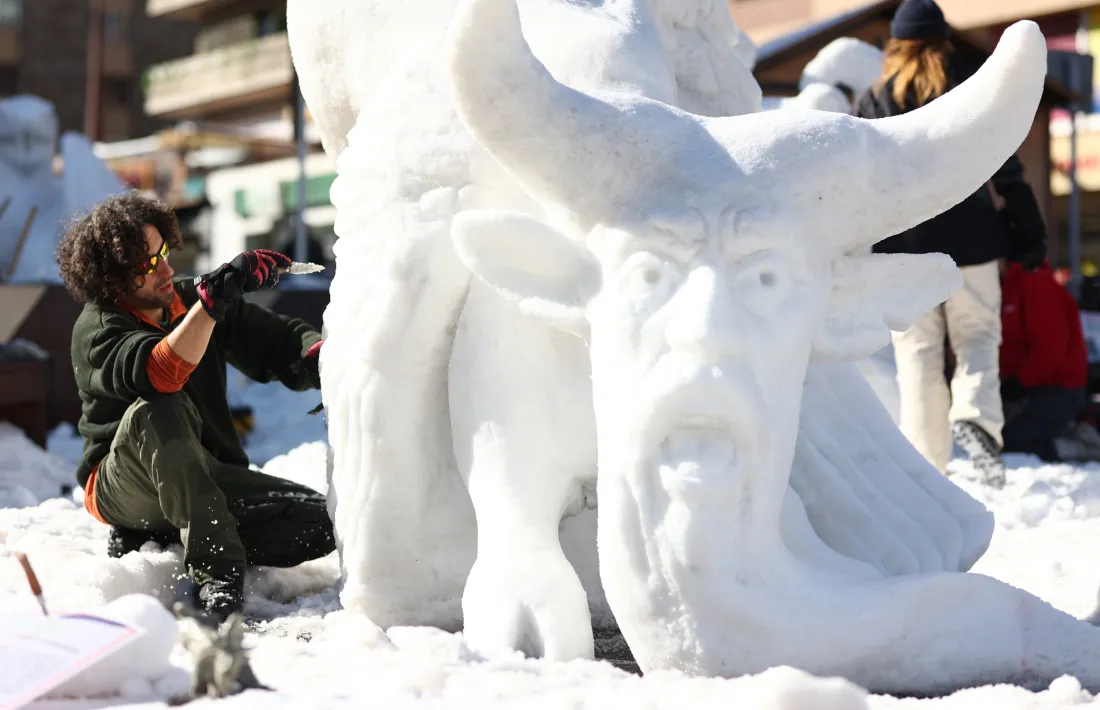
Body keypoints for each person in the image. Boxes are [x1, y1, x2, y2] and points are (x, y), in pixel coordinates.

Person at [57, 192, 335, 620]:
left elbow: (279, 341)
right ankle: (217, 575)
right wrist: (210, 305)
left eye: (163, 253)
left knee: (321, 524)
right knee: (158, 409)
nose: (165, 269)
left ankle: (175, 533)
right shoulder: (98, 329)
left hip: (202, 475)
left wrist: (319, 357)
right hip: (126, 484)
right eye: (146, 265)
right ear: (110, 278)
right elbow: (162, 373)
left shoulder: (187, 300)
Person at [852, 0, 1047, 487]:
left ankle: (926, 465)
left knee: (917, 351)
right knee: (978, 336)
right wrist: (1030, 232)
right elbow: (1005, 165)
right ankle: (977, 418)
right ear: (945, 39)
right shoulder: (969, 86)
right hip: (973, 240)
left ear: (894, 44)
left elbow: (861, 180)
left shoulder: (875, 100)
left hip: (904, 245)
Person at [1001, 259, 1100, 462]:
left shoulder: (1035, 283)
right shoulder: (1003, 285)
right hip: (1023, 383)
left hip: (1058, 386)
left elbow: (1050, 346)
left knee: (1015, 442)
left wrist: (1020, 382)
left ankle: (1082, 445)